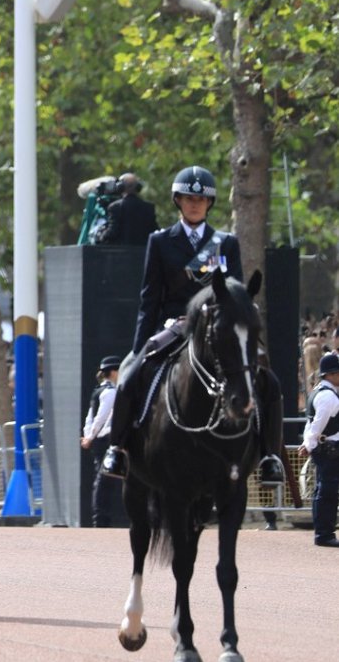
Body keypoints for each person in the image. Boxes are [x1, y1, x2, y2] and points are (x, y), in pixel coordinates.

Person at [101, 164, 284, 485]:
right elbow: (149, 297)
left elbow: (236, 292)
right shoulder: (160, 241)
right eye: (188, 198)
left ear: (210, 203)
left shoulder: (225, 243)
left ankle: (269, 456)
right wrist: (139, 347)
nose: (195, 204)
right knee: (130, 376)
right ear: (178, 201)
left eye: (201, 199)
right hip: (176, 324)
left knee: (268, 381)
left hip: (219, 327)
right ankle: (117, 448)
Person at [301, 349, 339, 548]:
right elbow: (318, 425)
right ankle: (324, 534)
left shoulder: (319, 392)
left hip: (323, 448)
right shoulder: (328, 397)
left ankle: (323, 532)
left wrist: (308, 444)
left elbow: (311, 425)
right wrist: (310, 444)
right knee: (327, 491)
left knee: (323, 490)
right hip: (329, 449)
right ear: (331, 374)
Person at [81, 356, 124, 527]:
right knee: (104, 480)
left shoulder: (98, 390)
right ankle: (100, 519)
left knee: (103, 479)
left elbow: (89, 418)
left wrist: (88, 436)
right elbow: (101, 418)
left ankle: (101, 518)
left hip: (98, 440)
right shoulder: (111, 392)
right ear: (113, 372)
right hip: (105, 439)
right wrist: (90, 437)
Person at [101, 174, 159, 248]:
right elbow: (154, 231)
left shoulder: (115, 207)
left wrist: (101, 236)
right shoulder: (149, 207)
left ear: (120, 187)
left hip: (121, 255)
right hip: (143, 255)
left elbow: (112, 232)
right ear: (138, 188)